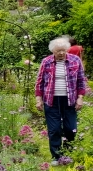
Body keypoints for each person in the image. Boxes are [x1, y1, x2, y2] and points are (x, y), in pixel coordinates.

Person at [35, 35, 88, 163]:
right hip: (51, 100)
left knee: (70, 129)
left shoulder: (75, 60)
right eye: (58, 51)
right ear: (53, 51)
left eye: (63, 50)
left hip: (70, 100)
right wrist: (38, 99)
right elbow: (40, 82)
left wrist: (80, 98)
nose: (61, 53)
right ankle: (56, 156)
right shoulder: (46, 61)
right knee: (54, 129)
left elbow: (81, 80)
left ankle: (68, 154)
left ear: (67, 49)